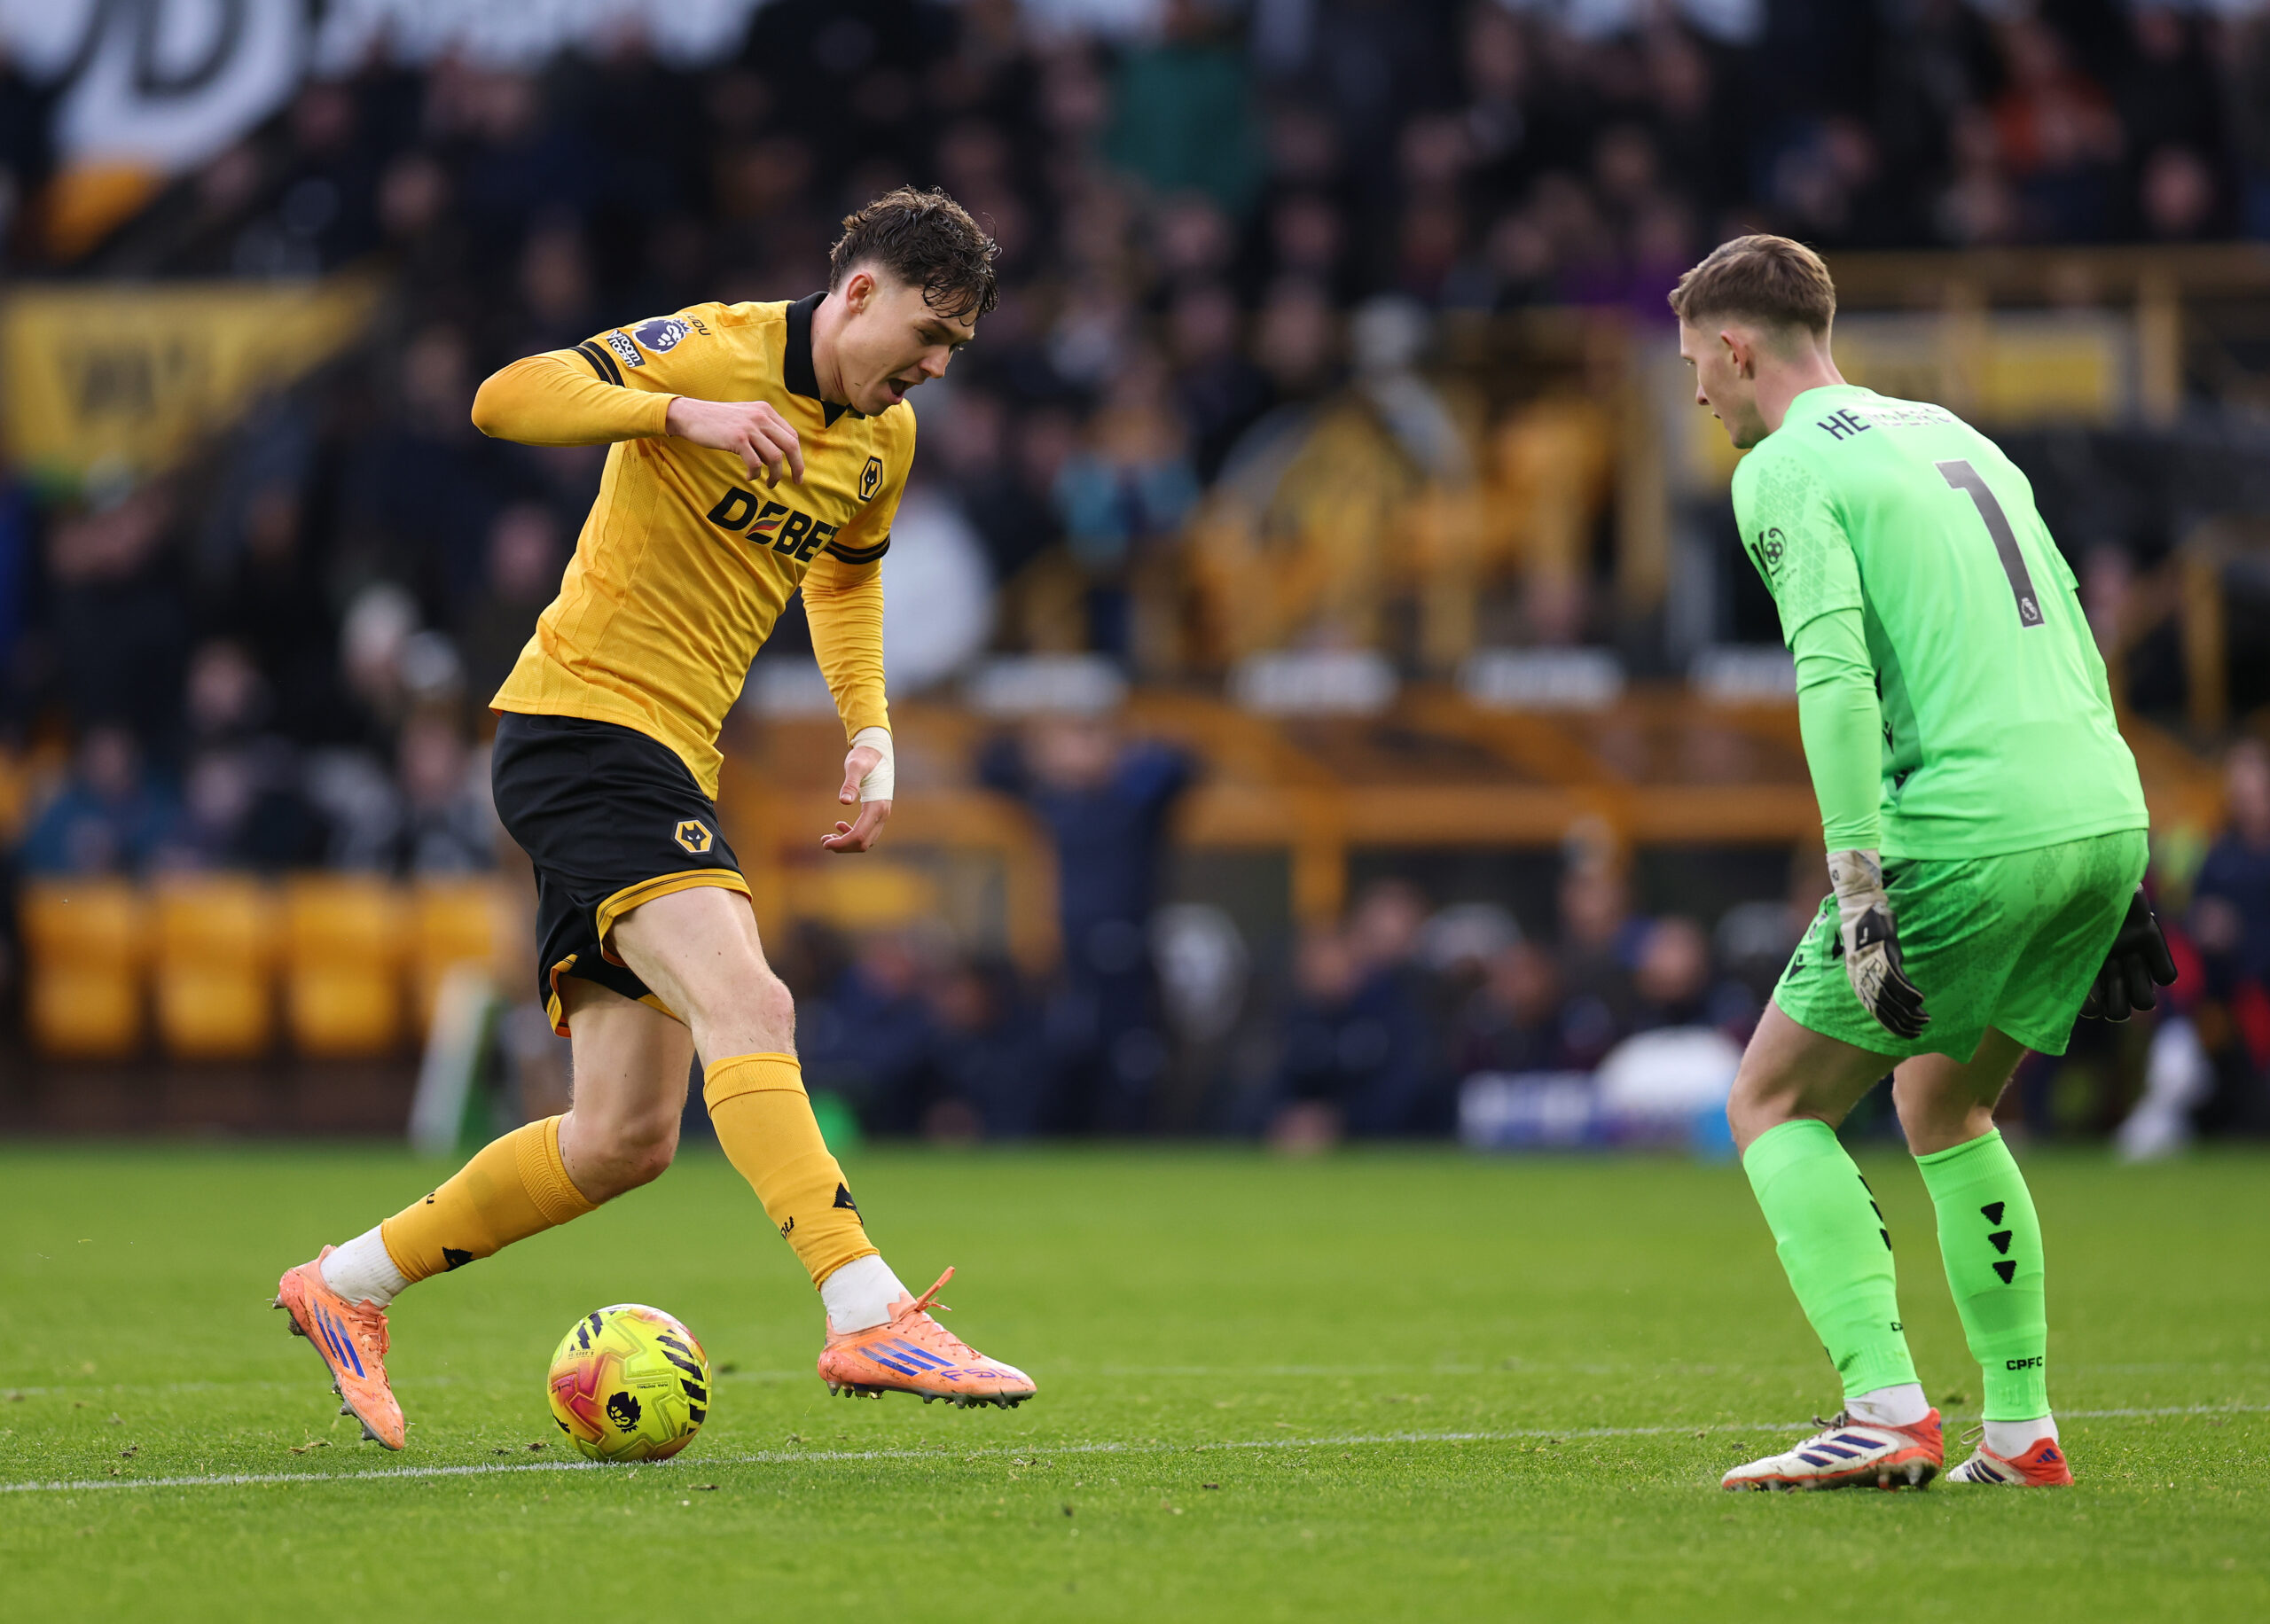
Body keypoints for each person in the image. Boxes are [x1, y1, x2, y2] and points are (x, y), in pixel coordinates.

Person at [272, 189, 1036, 1449]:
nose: (937, 365)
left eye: (957, 348)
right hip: (583, 728)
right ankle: (867, 1305)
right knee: (757, 1003)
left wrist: (870, 729)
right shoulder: (718, 347)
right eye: (929, 329)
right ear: (858, 292)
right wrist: (678, 411)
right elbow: (504, 397)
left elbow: (845, 574)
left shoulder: (882, 441)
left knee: (623, 1138)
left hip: (670, 760)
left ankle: (346, 1286)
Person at [1673, 235, 2171, 1492]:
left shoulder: (1783, 468)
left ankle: (1886, 1409)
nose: (1696, 397)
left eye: (1696, 366)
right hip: (2097, 804)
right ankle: (2019, 1430)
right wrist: (2119, 851)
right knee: (1945, 1104)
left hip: (1966, 824)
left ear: (1738, 347)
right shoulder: (1952, 432)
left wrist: (1856, 883)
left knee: (1774, 1102)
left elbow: (1832, 677)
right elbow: (2063, 616)